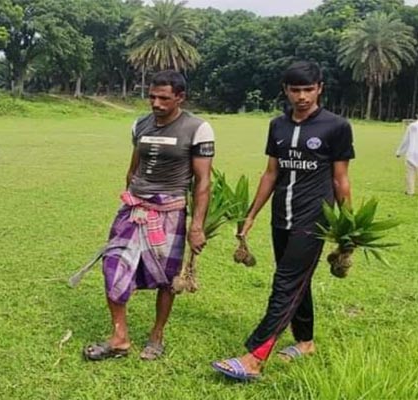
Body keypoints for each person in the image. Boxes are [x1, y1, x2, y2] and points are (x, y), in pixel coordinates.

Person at [211, 61, 354, 380]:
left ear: (320, 88)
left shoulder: (336, 126)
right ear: (285, 91)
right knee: (295, 282)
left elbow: (341, 180)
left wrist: (347, 226)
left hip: (314, 218)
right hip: (282, 218)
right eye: (295, 90)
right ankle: (305, 343)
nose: (302, 96)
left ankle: (255, 357)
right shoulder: (278, 125)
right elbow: (271, 173)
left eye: (308, 89)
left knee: (286, 283)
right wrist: (250, 215)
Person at [82, 70, 214, 361]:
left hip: (169, 211)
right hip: (135, 207)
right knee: (113, 265)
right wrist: (130, 198)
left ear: (180, 97)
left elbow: (203, 182)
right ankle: (119, 337)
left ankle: (156, 335)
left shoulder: (197, 128)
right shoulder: (140, 124)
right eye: (152, 96)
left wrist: (197, 226)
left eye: (164, 98)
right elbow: (133, 169)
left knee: (167, 277)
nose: (155, 103)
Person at [396, 119, 418, 196]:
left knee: (410, 173)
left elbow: (406, 140)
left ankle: (410, 192)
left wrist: (399, 152)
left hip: (411, 153)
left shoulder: (412, 126)